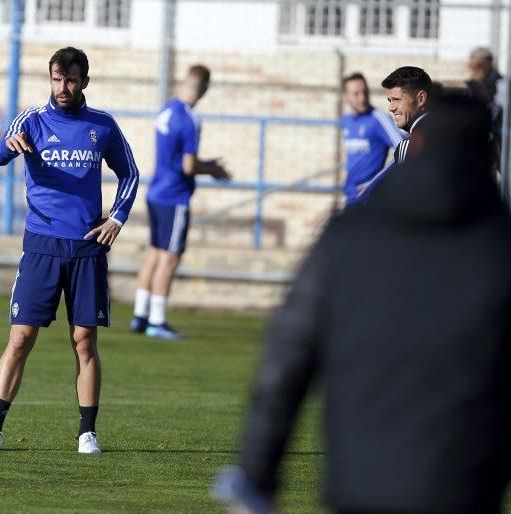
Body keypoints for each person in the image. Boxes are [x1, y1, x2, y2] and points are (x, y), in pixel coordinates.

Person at [212, 94, 511, 513]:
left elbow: (284, 363)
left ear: (418, 147)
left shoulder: (348, 238)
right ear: (489, 153)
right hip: (465, 484)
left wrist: (257, 476)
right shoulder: (499, 246)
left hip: (361, 479)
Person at [0, 47, 140, 454]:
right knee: (20, 338)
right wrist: (9, 145)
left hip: (86, 249)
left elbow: (130, 173)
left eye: (70, 80)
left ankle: (87, 433)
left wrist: (116, 218)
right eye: (56, 79)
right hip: (41, 246)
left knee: (84, 341)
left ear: (84, 81)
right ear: (49, 79)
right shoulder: (31, 119)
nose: (62, 87)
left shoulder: (102, 125)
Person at [130, 65, 230, 340]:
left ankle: (140, 315)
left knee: (154, 252)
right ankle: (157, 321)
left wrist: (206, 164)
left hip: (156, 192)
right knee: (170, 257)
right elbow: (187, 166)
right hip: (174, 196)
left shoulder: (167, 110)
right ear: (205, 88)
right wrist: (212, 170)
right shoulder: (190, 119)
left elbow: (175, 158)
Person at [356, 66, 433, 199]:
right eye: (390, 101)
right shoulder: (454, 133)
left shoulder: (409, 146)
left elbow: (406, 200)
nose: (391, 108)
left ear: (421, 99)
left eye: (397, 99)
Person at [339, 72, 404, 206]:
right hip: (351, 196)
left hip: (370, 198)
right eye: (356, 94)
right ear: (345, 96)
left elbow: (405, 150)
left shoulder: (378, 118)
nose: (362, 98)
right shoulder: (347, 121)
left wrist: (373, 182)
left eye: (365, 92)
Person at [466, 47, 504, 173]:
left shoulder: (499, 82)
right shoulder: (471, 84)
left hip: (498, 132)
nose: (477, 67)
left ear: (490, 62)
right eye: (474, 63)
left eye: (481, 63)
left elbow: (494, 106)